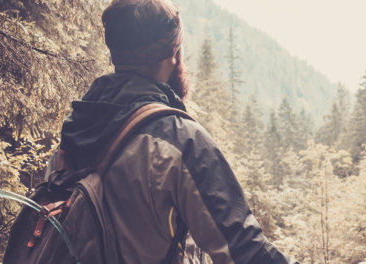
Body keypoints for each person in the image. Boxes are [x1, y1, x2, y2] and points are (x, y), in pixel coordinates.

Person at [46, 0, 296, 263]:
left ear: (115, 54)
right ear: (173, 54)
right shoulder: (181, 140)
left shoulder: (75, 130)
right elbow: (244, 250)